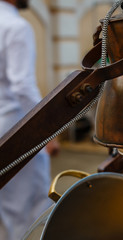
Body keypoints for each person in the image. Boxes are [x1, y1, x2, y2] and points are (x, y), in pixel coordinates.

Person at [0, 0, 58, 239]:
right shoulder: (16, 26)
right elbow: (22, 85)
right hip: (17, 130)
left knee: (6, 212)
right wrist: (47, 131)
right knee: (30, 214)